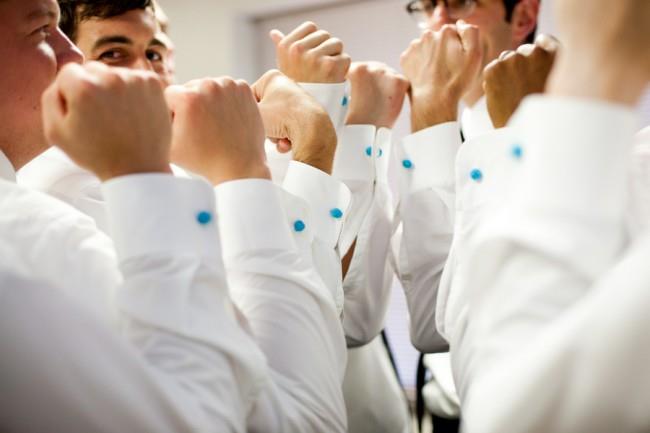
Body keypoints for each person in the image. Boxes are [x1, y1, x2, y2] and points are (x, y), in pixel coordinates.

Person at [1, 0, 348, 431]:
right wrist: (281, 162)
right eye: (113, 54)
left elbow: (327, 313)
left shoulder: (188, 176)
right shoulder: (48, 226)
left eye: (154, 53)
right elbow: (292, 413)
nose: (147, 75)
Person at [453, 0, 650, 431]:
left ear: (523, 17)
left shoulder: (621, 156)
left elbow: (503, 409)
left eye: (457, 3)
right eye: (424, 6)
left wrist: (587, 81)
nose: (438, 20)